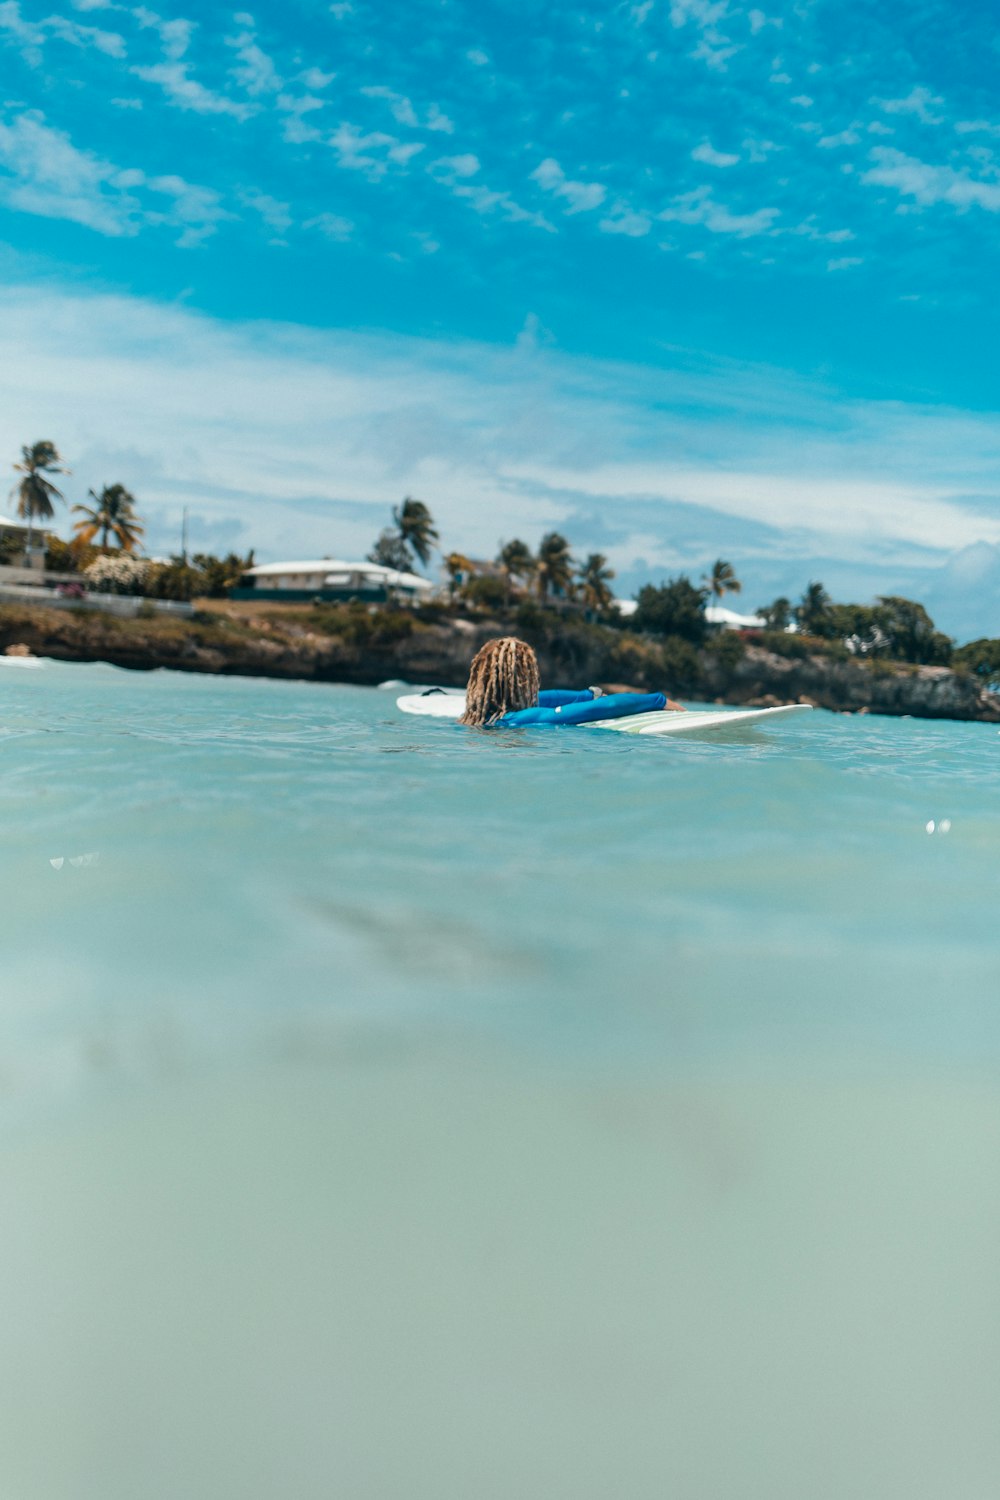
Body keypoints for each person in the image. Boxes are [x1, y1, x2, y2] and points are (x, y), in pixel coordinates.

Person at [458, 636, 683, 727]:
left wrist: (588, 694)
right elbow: (603, 708)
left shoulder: (476, 714)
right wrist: (657, 700)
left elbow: (546, 698)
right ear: (521, 681)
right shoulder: (522, 719)